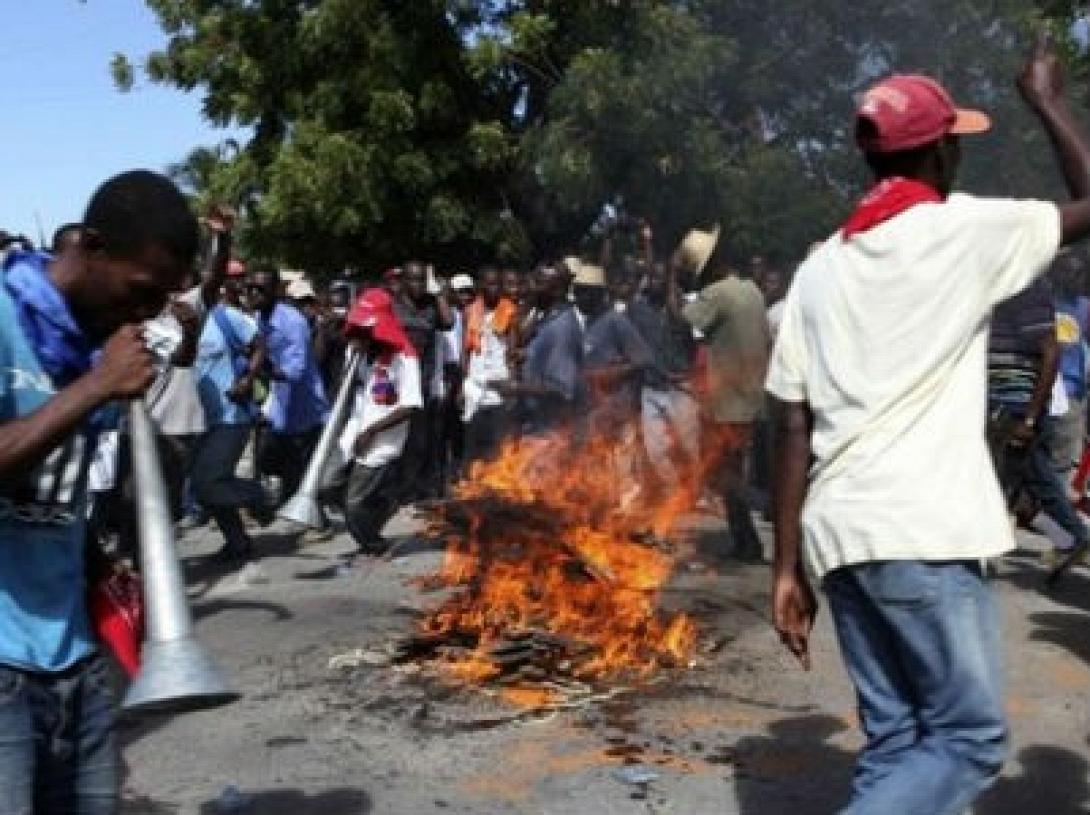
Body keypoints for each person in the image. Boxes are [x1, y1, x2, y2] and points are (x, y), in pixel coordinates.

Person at [766, 39, 1090, 815]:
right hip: (923, 532)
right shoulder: (961, 230)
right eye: (958, 143)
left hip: (841, 536)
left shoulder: (819, 269)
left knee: (900, 743)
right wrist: (1048, 100)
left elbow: (789, 423)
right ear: (941, 153)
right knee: (970, 741)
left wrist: (785, 568)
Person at [0, 170, 197, 813]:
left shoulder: (87, 347)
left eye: (161, 300)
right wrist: (95, 388)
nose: (146, 313)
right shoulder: (7, 319)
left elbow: (53, 493)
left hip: (75, 658)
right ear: (90, 247)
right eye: (142, 290)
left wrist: (98, 564)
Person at [987, 275, 1089, 579]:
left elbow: (1051, 353)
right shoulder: (995, 297)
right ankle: (1069, 538)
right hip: (1002, 404)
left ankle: (1073, 535)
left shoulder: (1030, 296)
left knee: (1035, 478)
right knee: (1023, 482)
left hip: (1018, 407)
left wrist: (1029, 417)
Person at [683, 230, 769, 562]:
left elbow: (683, 320)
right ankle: (747, 543)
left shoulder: (717, 293)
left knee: (718, 475)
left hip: (726, 403)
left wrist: (673, 289)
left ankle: (769, 506)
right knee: (730, 473)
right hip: (749, 399)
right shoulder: (753, 291)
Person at [192, 254, 270, 560]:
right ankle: (237, 542)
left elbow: (260, 344)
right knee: (204, 486)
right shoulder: (183, 323)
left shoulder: (225, 317)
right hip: (198, 418)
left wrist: (248, 379)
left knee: (209, 481)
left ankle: (260, 494)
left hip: (230, 415)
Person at [338, 288, 422, 554]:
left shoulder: (405, 357)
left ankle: (374, 544)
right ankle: (385, 501)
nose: (360, 335)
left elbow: (410, 405)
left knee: (353, 504)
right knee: (329, 485)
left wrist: (372, 431)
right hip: (353, 432)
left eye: (366, 330)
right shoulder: (358, 353)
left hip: (380, 441)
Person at [251, 265, 330, 505]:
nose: (253, 294)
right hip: (280, 406)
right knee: (269, 459)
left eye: (260, 289)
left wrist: (261, 367)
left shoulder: (293, 322)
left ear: (276, 291)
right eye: (250, 288)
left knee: (303, 470)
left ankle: (318, 521)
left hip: (304, 407)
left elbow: (296, 372)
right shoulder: (258, 317)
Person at [629, 255, 700, 496]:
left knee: (689, 447)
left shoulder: (684, 308)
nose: (656, 282)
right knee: (655, 450)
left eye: (662, 277)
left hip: (681, 388)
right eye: (653, 277)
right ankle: (675, 492)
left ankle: (696, 489)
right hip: (652, 389)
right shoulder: (638, 309)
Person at [394, 261, 454, 499]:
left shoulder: (430, 305)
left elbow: (448, 323)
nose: (417, 285)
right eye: (412, 279)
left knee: (422, 440)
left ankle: (418, 489)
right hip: (397, 383)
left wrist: (438, 293)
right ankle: (398, 489)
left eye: (421, 280)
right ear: (403, 281)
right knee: (399, 440)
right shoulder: (394, 306)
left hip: (424, 382)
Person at [462, 267, 519, 464]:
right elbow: (465, 351)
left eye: (497, 284)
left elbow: (512, 352)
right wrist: (461, 386)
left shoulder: (509, 311)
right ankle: (468, 484)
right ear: (480, 286)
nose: (493, 288)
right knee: (471, 441)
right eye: (489, 283)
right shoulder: (470, 311)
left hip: (498, 385)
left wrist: (512, 384)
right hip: (474, 385)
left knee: (496, 445)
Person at [1050, 249, 1090, 489]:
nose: (1073, 277)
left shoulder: (1085, 308)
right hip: (1039, 385)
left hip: (1071, 389)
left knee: (1064, 450)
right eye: (1068, 270)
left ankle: (1047, 509)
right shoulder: (1042, 300)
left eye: (1078, 273)